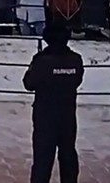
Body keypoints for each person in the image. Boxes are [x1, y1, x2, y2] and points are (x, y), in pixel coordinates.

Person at [23, 24, 84, 183]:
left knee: (43, 158)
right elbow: (77, 80)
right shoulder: (75, 59)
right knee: (68, 154)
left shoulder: (42, 60)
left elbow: (29, 83)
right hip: (67, 115)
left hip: (45, 116)